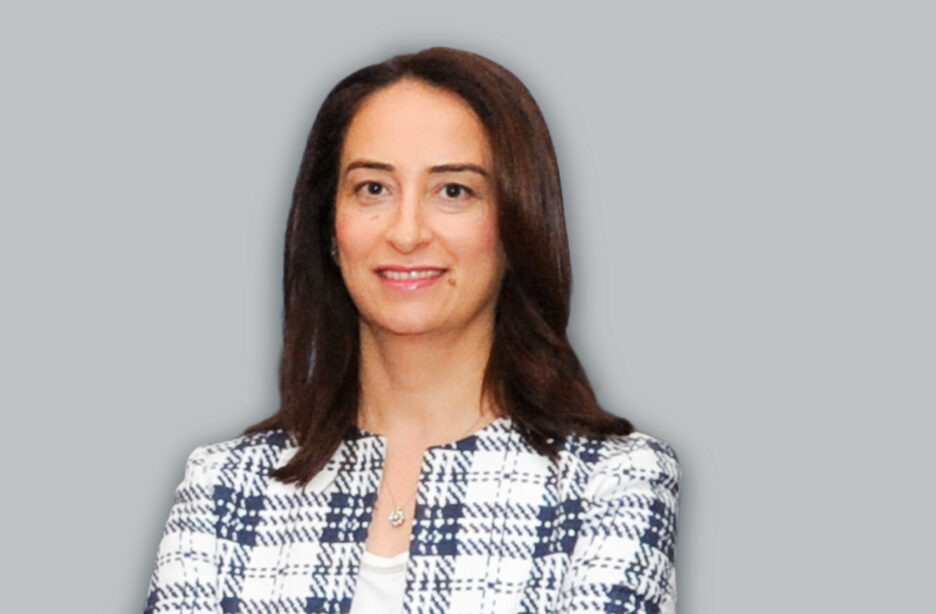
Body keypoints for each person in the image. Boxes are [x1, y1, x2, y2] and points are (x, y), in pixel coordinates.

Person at [143, 46, 680, 614]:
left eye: (453, 191)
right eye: (373, 188)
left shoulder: (613, 485)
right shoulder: (223, 489)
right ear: (330, 227)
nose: (406, 233)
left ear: (517, 224)